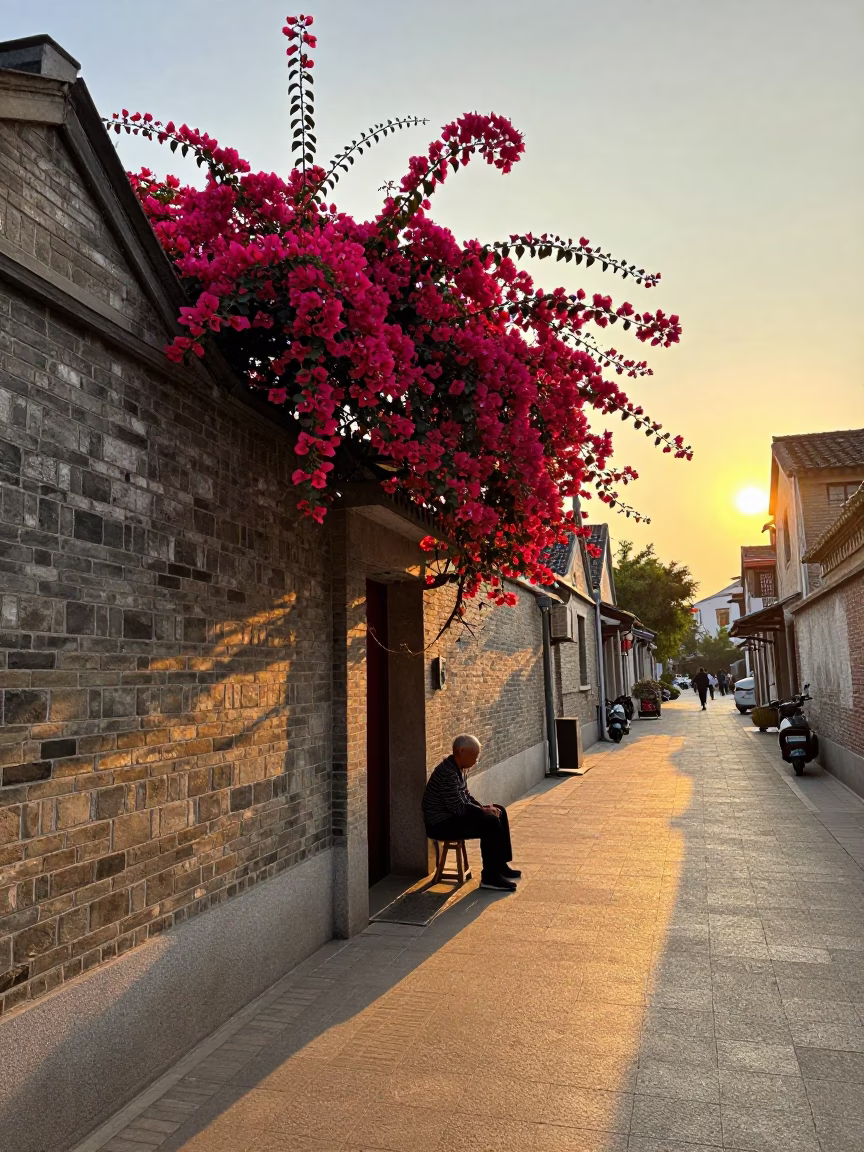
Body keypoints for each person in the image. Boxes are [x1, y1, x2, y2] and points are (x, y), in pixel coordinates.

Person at [422, 734, 521, 892]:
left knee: (499, 810)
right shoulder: (447, 773)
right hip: (441, 823)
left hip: (452, 817)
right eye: (474, 756)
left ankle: (500, 865)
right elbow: (458, 808)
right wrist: (484, 811)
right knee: (490, 822)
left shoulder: (457, 769)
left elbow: (466, 797)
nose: (476, 760)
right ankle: (490, 877)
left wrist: (484, 808)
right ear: (461, 751)